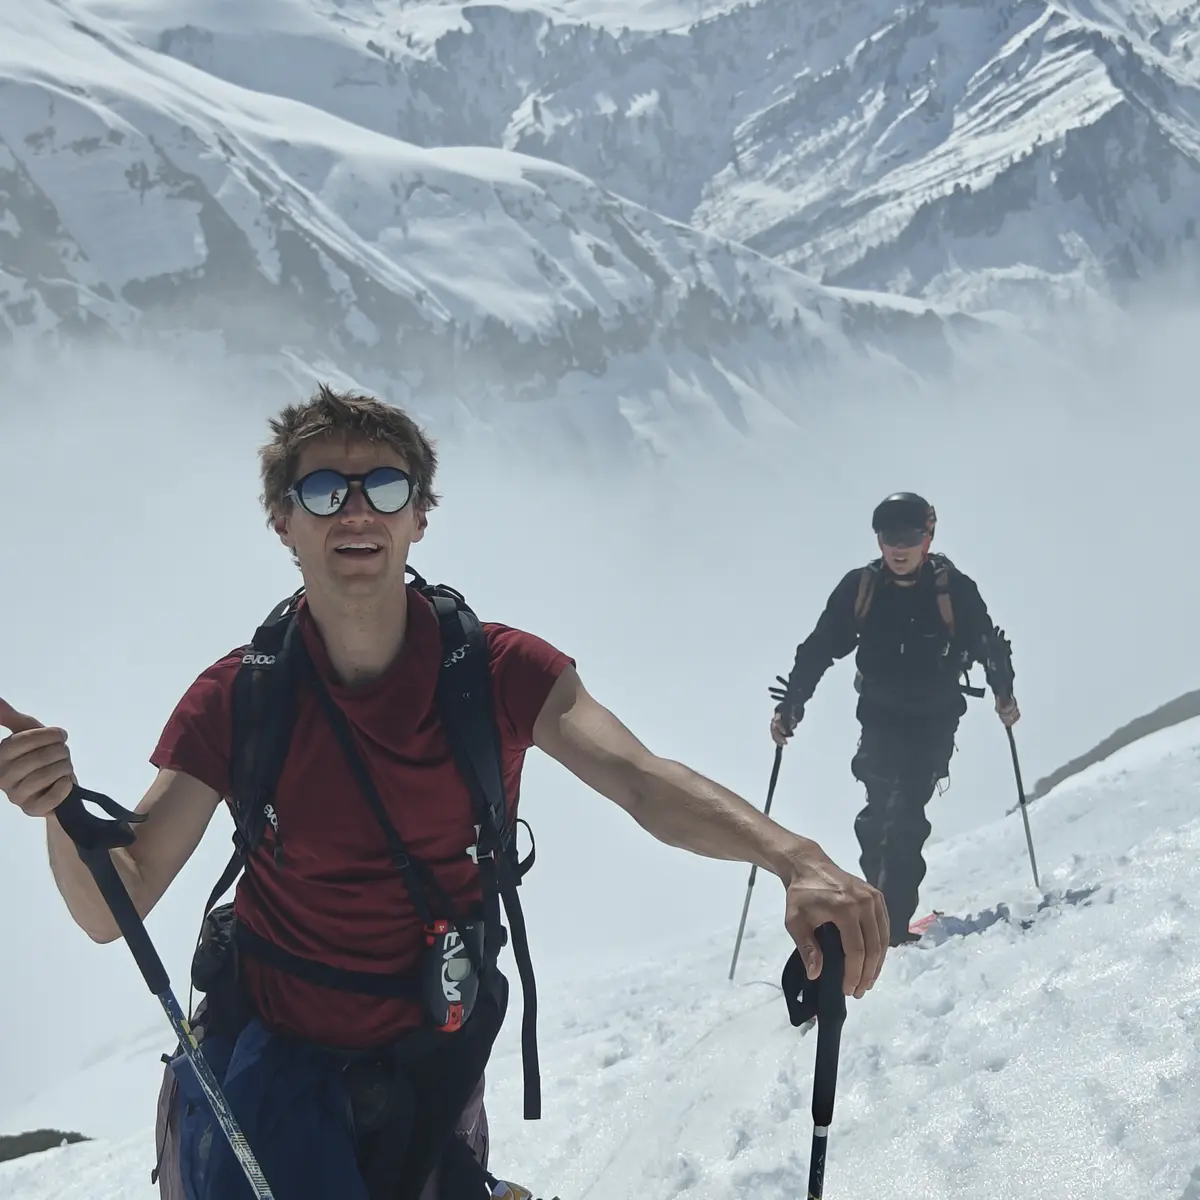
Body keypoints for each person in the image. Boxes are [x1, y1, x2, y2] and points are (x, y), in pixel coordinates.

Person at [1, 385, 888, 1200]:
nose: (357, 510)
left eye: (385, 488)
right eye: (324, 491)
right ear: (283, 523)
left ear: (420, 516)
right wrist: (57, 811)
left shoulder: (495, 671)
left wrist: (794, 857)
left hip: (432, 1065)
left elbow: (641, 778)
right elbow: (114, 903)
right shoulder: (241, 697)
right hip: (278, 1070)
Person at [769, 492, 1019, 947]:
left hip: (934, 721)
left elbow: (987, 643)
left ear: (928, 538)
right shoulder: (862, 589)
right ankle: (882, 918)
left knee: (903, 817)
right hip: (880, 719)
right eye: (890, 536)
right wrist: (792, 705)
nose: (899, 547)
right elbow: (820, 647)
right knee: (877, 820)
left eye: (910, 536)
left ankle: (889, 928)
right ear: (879, 539)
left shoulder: (952, 589)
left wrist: (1004, 694)